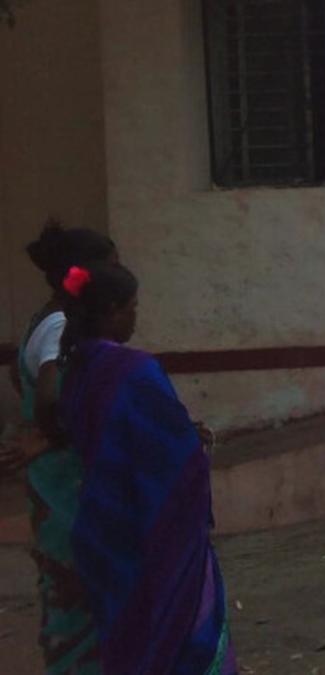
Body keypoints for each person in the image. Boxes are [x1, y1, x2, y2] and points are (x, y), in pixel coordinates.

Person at [56, 261, 236, 673]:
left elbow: (118, 435)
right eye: (132, 308)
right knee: (176, 638)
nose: (135, 318)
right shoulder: (134, 371)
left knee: (126, 640)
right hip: (147, 530)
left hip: (101, 529)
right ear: (111, 311)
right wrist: (191, 442)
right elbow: (169, 457)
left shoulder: (79, 369)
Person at [0, 222, 117, 674]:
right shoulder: (61, 326)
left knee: (67, 596)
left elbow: (21, 376)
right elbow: (49, 394)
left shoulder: (45, 318)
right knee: (80, 595)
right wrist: (52, 433)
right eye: (110, 268)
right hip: (68, 487)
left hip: (53, 486)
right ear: (82, 275)